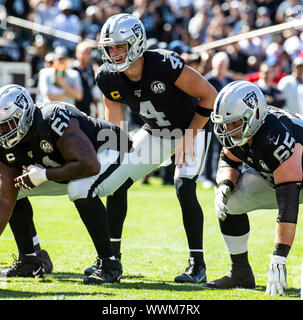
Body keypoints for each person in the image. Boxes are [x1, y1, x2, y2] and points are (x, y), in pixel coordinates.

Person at [91, 13, 217, 284]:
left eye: (119, 47)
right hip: (157, 132)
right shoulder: (108, 77)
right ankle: (111, 257)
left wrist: (188, 135)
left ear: (136, 43)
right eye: (109, 48)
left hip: (191, 127)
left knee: (183, 185)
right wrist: (112, 156)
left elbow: (210, 96)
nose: (113, 54)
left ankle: (197, 264)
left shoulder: (163, 64)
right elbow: (114, 125)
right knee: (115, 182)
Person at [0, 83, 135, 284]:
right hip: (71, 166)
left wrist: (44, 175)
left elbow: (89, 165)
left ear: (25, 115)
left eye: (7, 125)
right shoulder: (5, 143)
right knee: (15, 187)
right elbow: (4, 198)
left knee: (80, 189)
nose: (3, 132)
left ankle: (109, 263)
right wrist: (43, 175)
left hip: (115, 150)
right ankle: (29, 259)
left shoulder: (50, 119)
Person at [203, 80, 303, 296]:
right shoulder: (242, 129)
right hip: (278, 177)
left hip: (295, 178)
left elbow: (288, 202)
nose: (229, 130)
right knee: (229, 201)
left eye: (234, 123)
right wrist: (225, 185)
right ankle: (240, 272)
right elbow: (228, 160)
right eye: (225, 124)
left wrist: (279, 257)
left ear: (254, 116)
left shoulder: (274, 136)